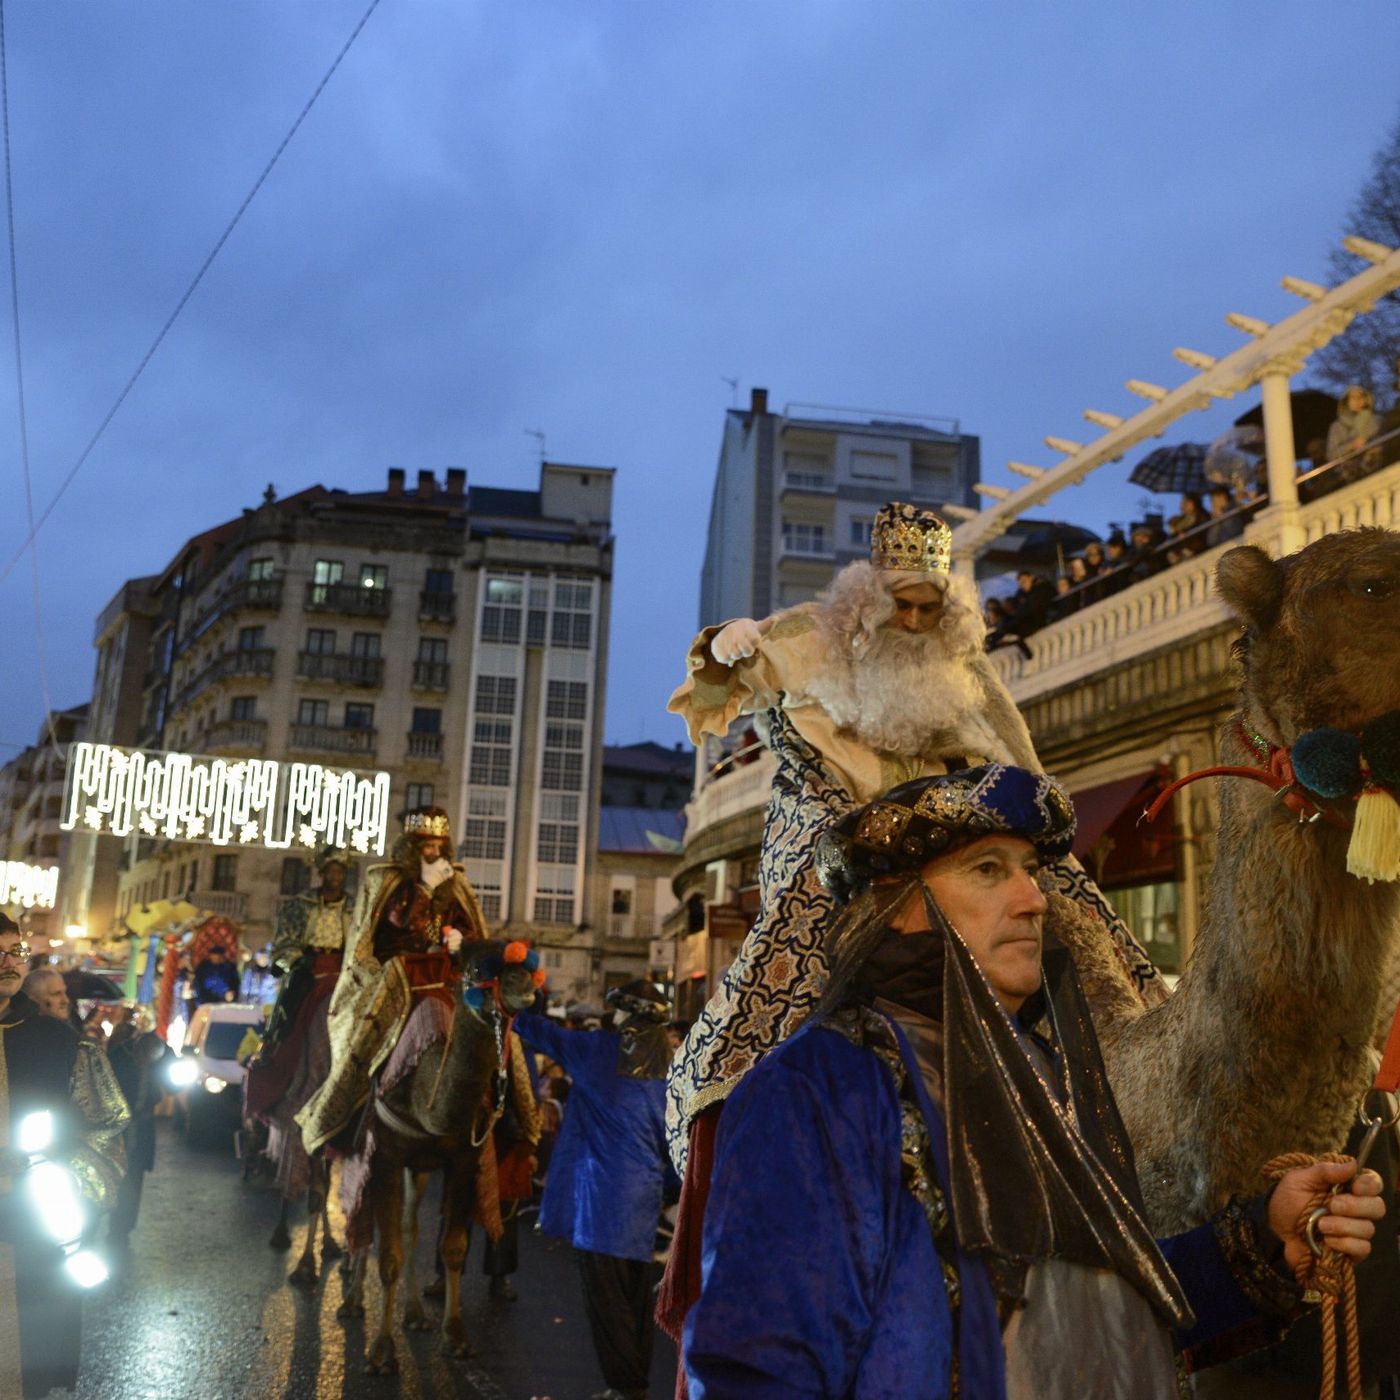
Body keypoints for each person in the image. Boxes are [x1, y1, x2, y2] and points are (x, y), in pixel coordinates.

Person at [683, 768, 1386, 1397]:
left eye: (1030, 871)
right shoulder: (821, 1087)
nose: (1034, 900)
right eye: (988, 870)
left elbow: (1096, 1309)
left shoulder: (1044, 1070)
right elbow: (761, 1368)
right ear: (899, 904)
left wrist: (1266, 1238)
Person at [297, 808, 487, 1156]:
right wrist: (426, 889)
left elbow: (470, 929)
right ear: (412, 847)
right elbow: (383, 930)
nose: (433, 853)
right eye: (426, 846)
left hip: (446, 974)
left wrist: (461, 940)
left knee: (497, 1035)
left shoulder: (456, 883)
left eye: (438, 845)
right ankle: (343, 1109)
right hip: (397, 972)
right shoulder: (388, 881)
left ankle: (509, 1119)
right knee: (362, 1036)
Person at [516, 982, 674, 1400]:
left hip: (601, 1204)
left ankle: (625, 1389)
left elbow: (543, 1033)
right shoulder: (667, 1071)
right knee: (636, 1300)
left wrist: (516, 1006)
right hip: (643, 1204)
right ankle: (632, 1381)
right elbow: (674, 1142)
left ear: (627, 1018)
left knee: (607, 1303)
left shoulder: (598, 1052)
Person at [0, 913, 129, 1398]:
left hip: (34, 1225)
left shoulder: (61, 1042)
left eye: (16, 951)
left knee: (30, 1362)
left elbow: (105, 1129)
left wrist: (66, 1182)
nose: (8, 962)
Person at [106, 1012, 175, 1252]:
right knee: (109, 1176)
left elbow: (174, 1086)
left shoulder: (163, 1055)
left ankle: (120, 1230)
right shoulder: (118, 1055)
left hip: (142, 1126)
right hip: (116, 1127)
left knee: (133, 1179)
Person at [1325, 384, 1378, 474]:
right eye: (1353, 398)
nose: (1357, 401)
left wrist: (1367, 445)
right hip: (1347, 474)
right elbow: (1331, 455)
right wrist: (1350, 446)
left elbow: (1382, 442)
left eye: (1360, 397)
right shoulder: (1336, 427)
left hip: (1375, 468)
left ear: (1366, 399)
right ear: (1346, 401)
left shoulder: (1376, 420)